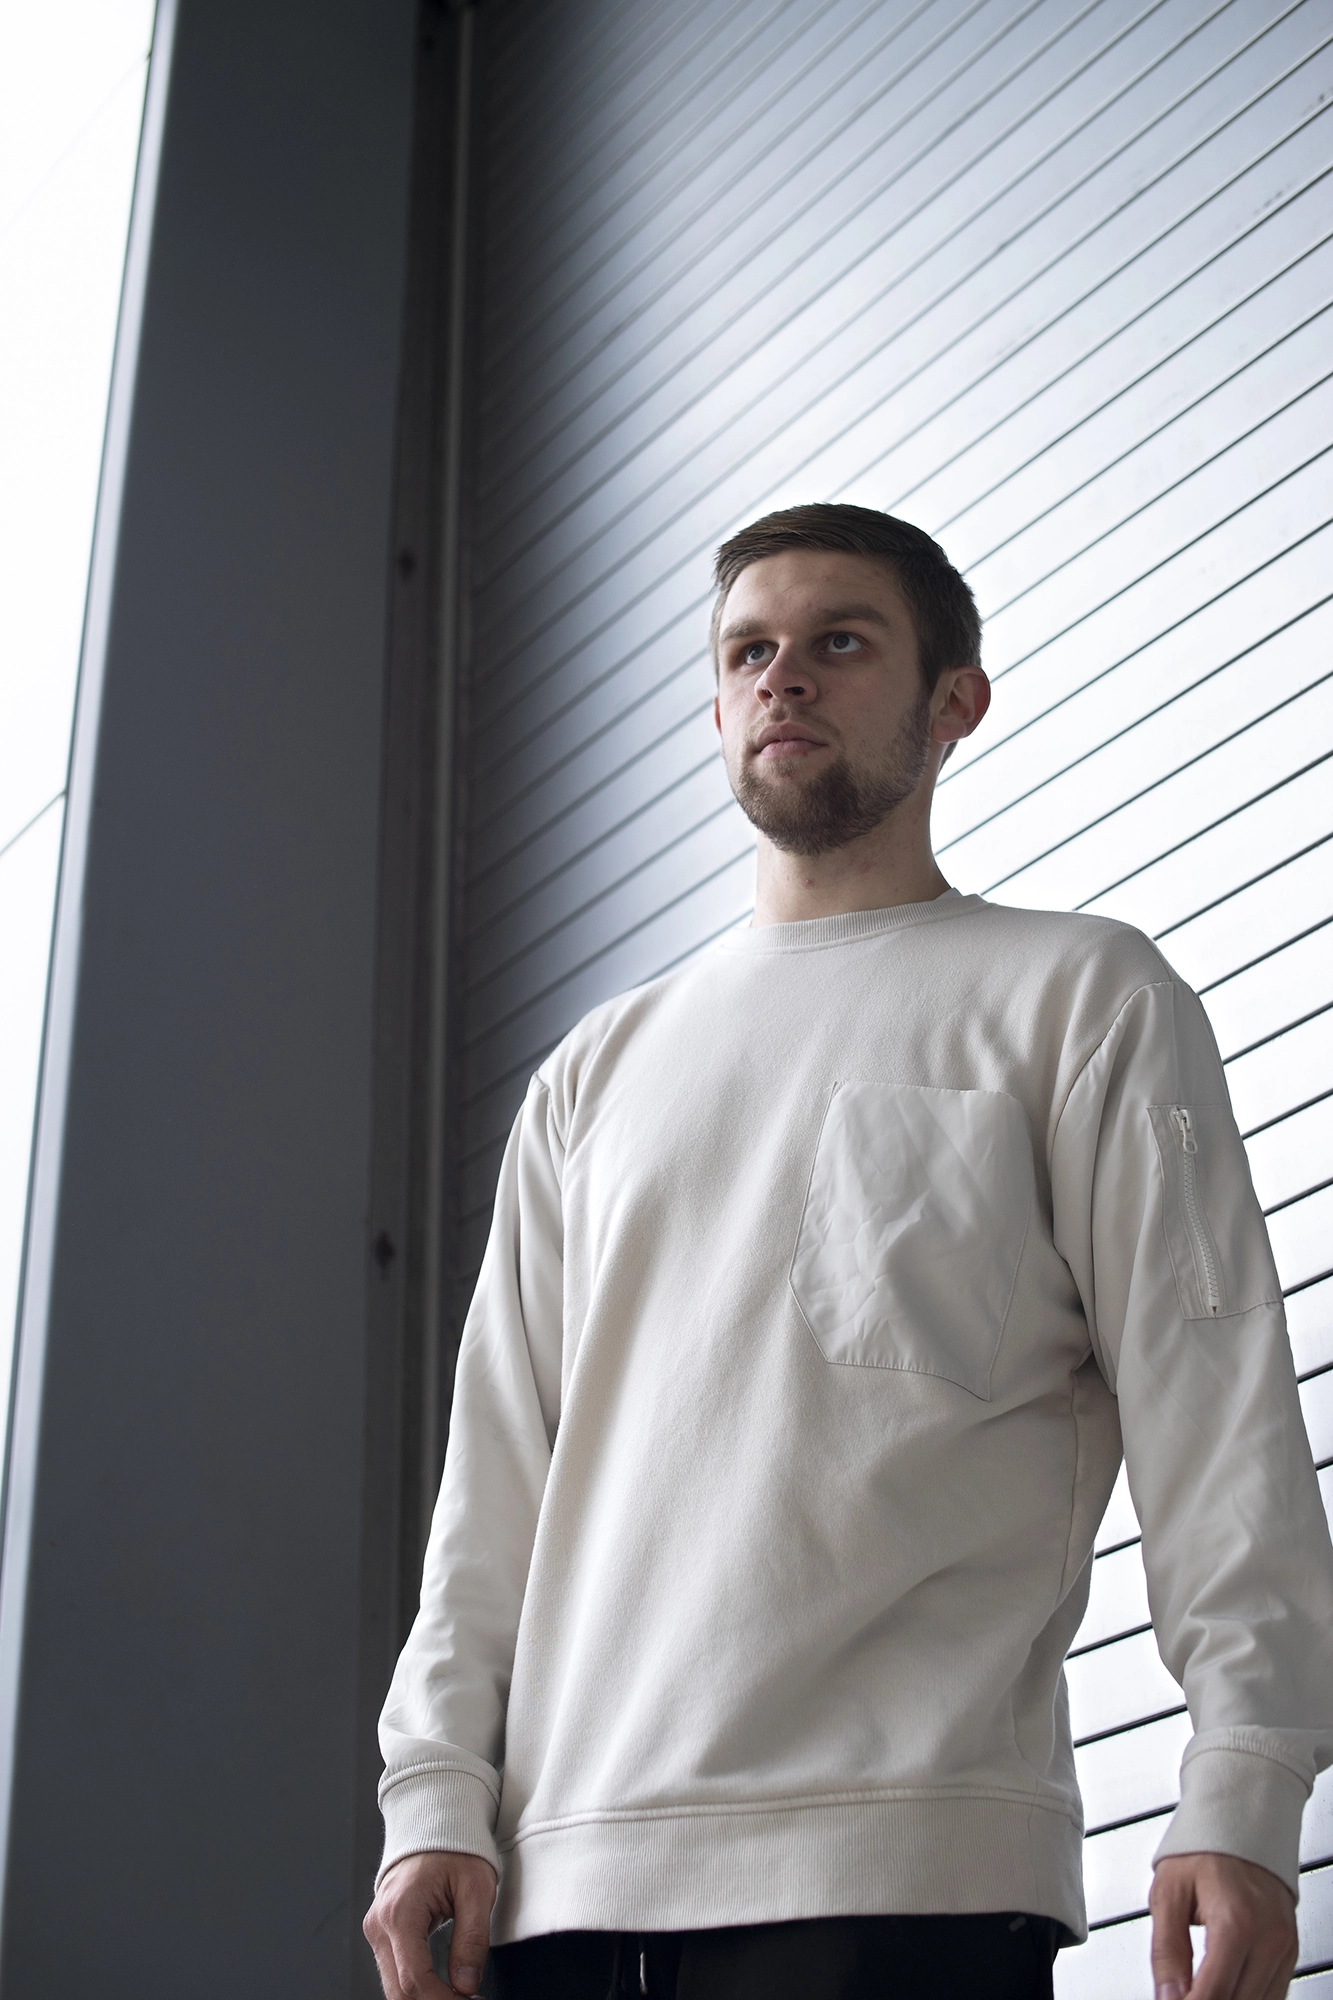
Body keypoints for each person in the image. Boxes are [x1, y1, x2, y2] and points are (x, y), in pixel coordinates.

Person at [363, 504, 1333, 2000]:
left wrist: (1248, 1782)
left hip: (897, 1883)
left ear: (957, 701)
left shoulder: (1079, 1000)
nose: (784, 679)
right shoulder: (595, 1072)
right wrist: (433, 1790)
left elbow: (1220, 1415)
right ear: (714, 705)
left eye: (840, 643)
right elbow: (494, 1479)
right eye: (750, 651)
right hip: (551, 1893)